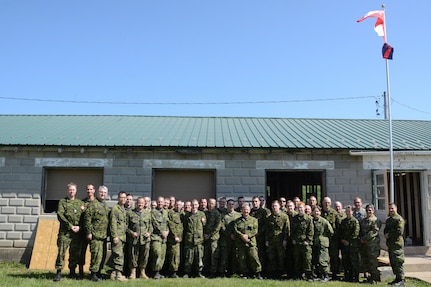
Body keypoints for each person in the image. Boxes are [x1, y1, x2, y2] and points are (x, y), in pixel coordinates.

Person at [53, 182, 84, 282]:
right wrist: (70, 226)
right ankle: (58, 273)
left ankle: (72, 272)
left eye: (73, 190)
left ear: (76, 191)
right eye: (70, 190)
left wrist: (80, 227)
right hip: (65, 233)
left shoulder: (80, 203)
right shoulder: (63, 202)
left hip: (76, 234)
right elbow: (60, 215)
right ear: (67, 191)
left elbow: (84, 217)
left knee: (74, 253)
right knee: (61, 252)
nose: (71, 192)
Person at [84, 185, 110, 282]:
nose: (103, 194)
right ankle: (93, 274)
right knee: (95, 255)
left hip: (103, 236)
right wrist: (89, 232)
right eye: (101, 192)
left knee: (102, 256)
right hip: (95, 235)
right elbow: (87, 219)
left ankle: (99, 272)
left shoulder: (106, 205)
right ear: (97, 193)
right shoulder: (93, 204)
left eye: (104, 193)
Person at [233, 204, 263, 279]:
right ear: (241, 210)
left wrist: (247, 236)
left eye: (247, 209)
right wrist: (242, 236)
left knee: (254, 257)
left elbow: (255, 230)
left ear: (249, 211)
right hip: (241, 243)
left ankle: (258, 273)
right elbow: (235, 230)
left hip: (251, 242)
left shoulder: (254, 220)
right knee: (242, 258)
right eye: (244, 209)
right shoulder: (237, 221)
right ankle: (244, 273)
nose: (246, 211)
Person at [127, 197, 152, 280]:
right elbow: (126, 227)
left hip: (145, 240)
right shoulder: (131, 213)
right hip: (134, 240)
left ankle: (142, 272)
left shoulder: (148, 213)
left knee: (144, 256)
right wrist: (131, 233)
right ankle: (133, 272)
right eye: (139, 202)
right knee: (133, 255)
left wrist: (149, 233)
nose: (140, 204)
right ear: (136, 203)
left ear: (144, 203)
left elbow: (151, 226)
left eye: (142, 202)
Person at [265, 200, 289, 279]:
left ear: (279, 206)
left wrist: (285, 239)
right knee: (272, 257)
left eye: (276, 206)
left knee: (281, 257)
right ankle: (274, 273)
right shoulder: (269, 218)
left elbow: (287, 229)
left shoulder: (284, 216)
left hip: (280, 241)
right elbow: (267, 230)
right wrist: (267, 240)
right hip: (271, 241)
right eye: (273, 206)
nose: (274, 207)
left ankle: (281, 273)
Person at [183, 199, 206, 278]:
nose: (194, 206)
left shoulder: (202, 214)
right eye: (192, 205)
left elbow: (204, 225)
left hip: (199, 240)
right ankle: (187, 272)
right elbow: (185, 227)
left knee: (199, 257)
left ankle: (198, 272)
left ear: (198, 205)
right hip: (189, 240)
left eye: (196, 205)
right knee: (188, 257)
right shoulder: (187, 216)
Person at [291, 202, 314, 281]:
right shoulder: (294, 219)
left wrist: (308, 240)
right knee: (297, 259)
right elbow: (292, 231)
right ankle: (298, 275)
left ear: (304, 208)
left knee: (307, 259)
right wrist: (293, 239)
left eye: (301, 207)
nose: (300, 209)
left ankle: (308, 275)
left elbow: (311, 231)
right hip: (297, 242)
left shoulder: (308, 219)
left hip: (305, 243)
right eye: (299, 208)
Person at [218, 198, 240, 277]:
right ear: (226, 205)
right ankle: (222, 272)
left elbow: (240, 226)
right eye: (229, 204)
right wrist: (229, 234)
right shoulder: (222, 215)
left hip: (235, 240)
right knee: (224, 257)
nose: (231, 206)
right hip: (225, 240)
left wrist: (235, 235)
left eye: (232, 204)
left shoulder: (238, 215)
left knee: (234, 257)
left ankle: (233, 272)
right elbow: (222, 226)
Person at [384, 203, 405, 286]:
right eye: (390, 209)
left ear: (396, 209)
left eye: (392, 208)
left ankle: (401, 280)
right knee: (393, 262)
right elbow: (386, 230)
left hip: (397, 244)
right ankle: (397, 278)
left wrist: (389, 235)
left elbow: (399, 231)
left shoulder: (399, 219)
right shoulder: (389, 220)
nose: (391, 210)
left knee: (398, 261)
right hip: (390, 244)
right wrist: (386, 234)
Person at [360, 204, 381, 284]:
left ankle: (375, 278)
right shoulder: (364, 220)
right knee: (366, 261)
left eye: (370, 210)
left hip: (373, 245)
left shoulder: (375, 220)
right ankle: (369, 277)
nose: (369, 212)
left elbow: (374, 232)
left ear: (373, 211)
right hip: (364, 245)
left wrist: (364, 238)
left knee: (373, 262)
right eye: (367, 210)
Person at [109, 191, 128, 281]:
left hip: (122, 237)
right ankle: (119, 275)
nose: (123, 199)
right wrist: (114, 236)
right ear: (118, 198)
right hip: (118, 237)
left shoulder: (123, 209)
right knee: (118, 255)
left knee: (118, 255)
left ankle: (114, 274)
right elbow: (113, 224)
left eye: (124, 198)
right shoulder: (115, 209)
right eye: (121, 197)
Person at [78, 183, 96, 279]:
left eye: (91, 189)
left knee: (94, 253)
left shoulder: (96, 202)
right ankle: (81, 272)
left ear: (94, 190)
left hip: (94, 232)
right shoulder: (82, 202)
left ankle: (93, 273)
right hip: (83, 232)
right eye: (88, 189)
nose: (89, 191)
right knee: (82, 252)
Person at [312, 206, 334, 282]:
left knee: (323, 260)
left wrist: (325, 239)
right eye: (315, 211)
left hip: (323, 244)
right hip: (314, 243)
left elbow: (331, 232)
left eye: (318, 211)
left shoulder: (324, 222)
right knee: (315, 260)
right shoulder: (311, 221)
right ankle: (319, 275)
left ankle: (326, 275)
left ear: (320, 212)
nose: (316, 213)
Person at [321, 196, 340, 280]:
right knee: (323, 257)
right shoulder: (320, 212)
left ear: (330, 203)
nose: (326, 204)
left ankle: (335, 274)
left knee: (334, 257)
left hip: (333, 240)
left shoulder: (334, 213)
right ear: (322, 203)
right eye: (325, 202)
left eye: (328, 202)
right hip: (323, 239)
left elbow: (338, 226)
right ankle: (324, 274)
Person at [339, 205, 360, 282]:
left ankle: (356, 277)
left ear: (352, 212)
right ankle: (348, 276)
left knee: (354, 261)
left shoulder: (355, 221)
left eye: (349, 211)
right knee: (346, 261)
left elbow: (355, 233)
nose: (348, 213)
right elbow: (340, 232)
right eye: (347, 211)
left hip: (353, 245)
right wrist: (343, 240)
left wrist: (349, 241)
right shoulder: (343, 221)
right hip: (344, 245)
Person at [250, 196, 270, 276]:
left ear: (259, 202)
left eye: (256, 201)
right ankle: (253, 271)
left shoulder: (264, 212)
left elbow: (266, 224)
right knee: (253, 255)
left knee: (262, 255)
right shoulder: (250, 212)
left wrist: (259, 232)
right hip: (252, 238)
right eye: (253, 201)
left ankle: (262, 272)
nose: (255, 203)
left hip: (261, 237)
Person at [150, 196, 170, 279]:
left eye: (162, 202)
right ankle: (154, 272)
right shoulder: (153, 212)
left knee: (162, 255)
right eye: (159, 202)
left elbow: (168, 224)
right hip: (156, 237)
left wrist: (167, 231)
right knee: (157, 254)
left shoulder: (165, 212)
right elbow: (155, 223)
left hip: (164, 239)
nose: (160, 203)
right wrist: (162, 232)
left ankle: (159, 272)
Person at [203, 198, 221, 278]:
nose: (211, 205)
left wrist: (209, 235)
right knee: (206, 255)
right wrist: (204, 234)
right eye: (209, 203)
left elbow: (217, 227)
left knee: (214, 256)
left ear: (215, 204)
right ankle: (206, 271)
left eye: (212, 203)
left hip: (213, 238)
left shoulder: (217, 214)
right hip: (205, 238)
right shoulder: (204, 213)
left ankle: (213, 272)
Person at [166, 200, 184, 278]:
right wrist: (175, 236)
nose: (178, 206)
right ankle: (173, 272)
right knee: (174, 255)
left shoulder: (183, 214)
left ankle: (179, 270)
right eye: (177, 205)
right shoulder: (171, 213)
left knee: (180, 255)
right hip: (174, 239)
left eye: (179, 205)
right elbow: (171, 225)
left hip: (182, 239)